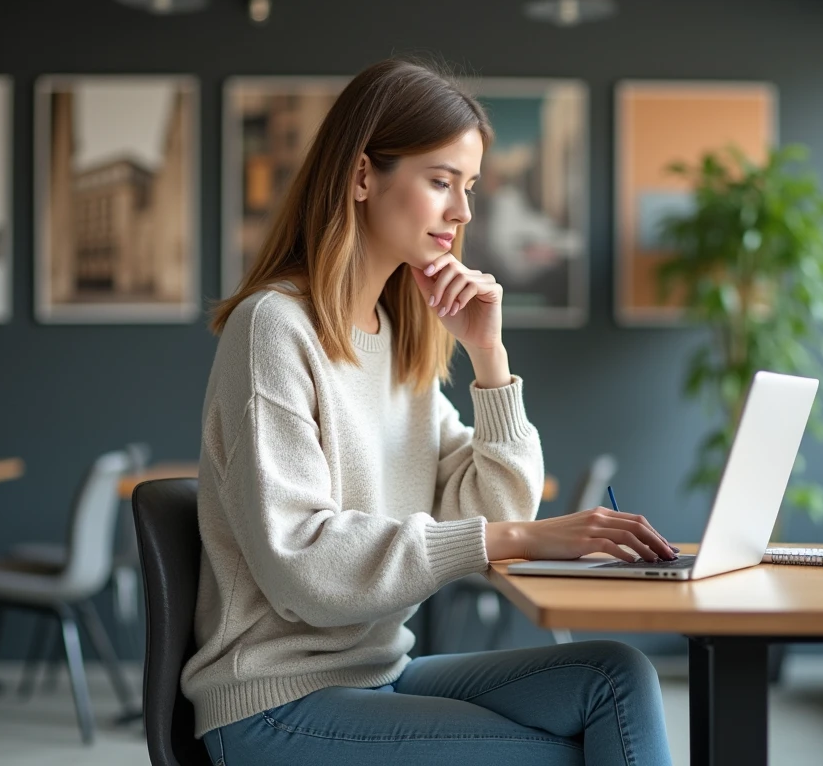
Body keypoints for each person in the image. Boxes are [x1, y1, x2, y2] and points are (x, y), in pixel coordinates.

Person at [183, 56, 676, 766]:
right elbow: (305, 565)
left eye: (468, 187)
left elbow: (495, 501)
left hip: (377, 671)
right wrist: (511, 540)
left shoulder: (398, 337)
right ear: (360, 176)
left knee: (614, 677)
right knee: (564, 756)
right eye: (441, 182)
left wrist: (489, 358)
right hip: (274, 703)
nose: (463, 212)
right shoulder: (273, 328)